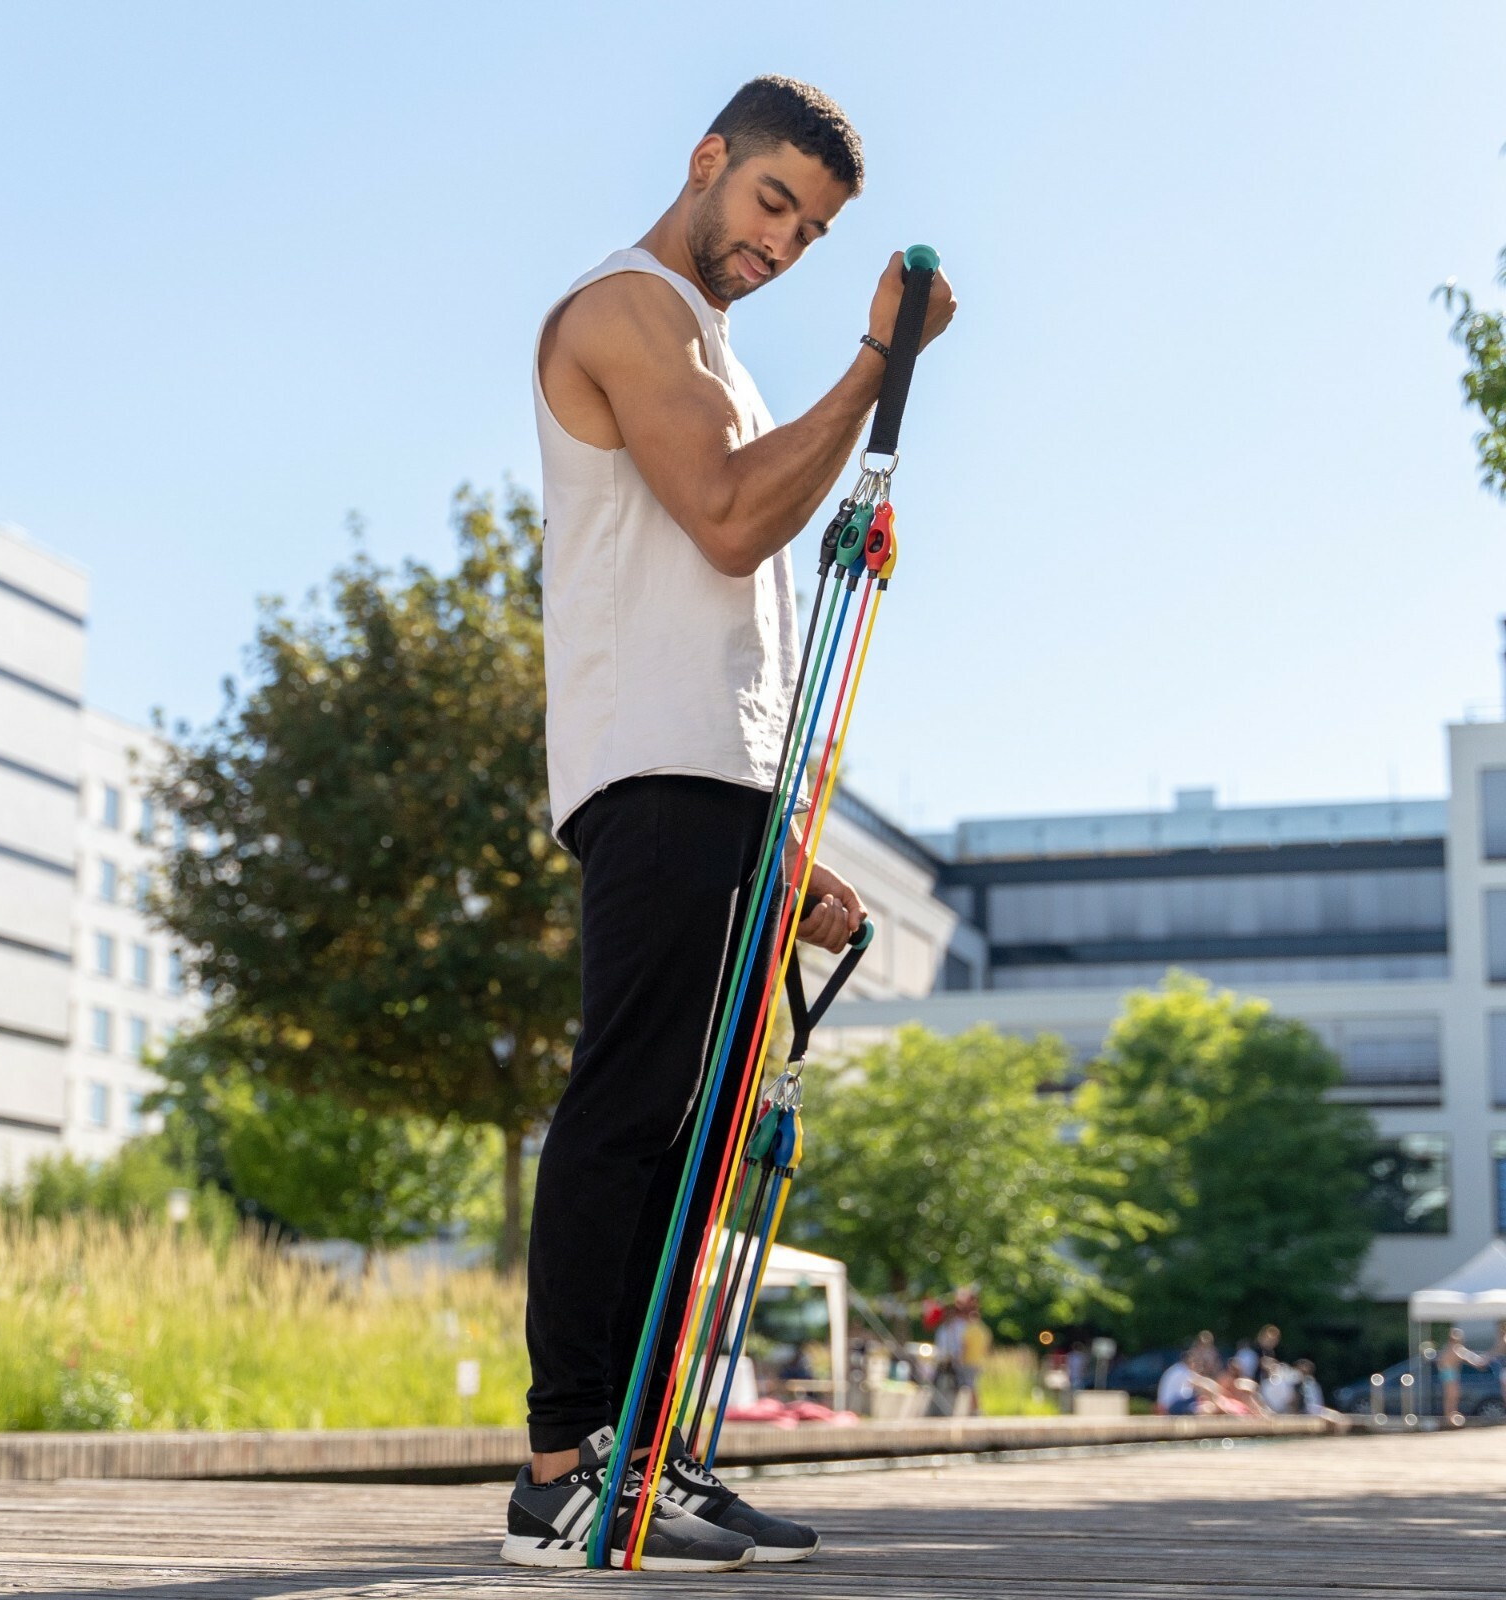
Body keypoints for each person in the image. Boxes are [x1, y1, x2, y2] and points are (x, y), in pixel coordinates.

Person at [503, 76, 956, 1574]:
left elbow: (732, 629)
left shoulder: (720, 359)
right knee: (633, 1104)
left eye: (813, 232)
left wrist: (787, 846)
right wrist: (878, 365)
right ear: (707, 161)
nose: (784, 242)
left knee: (694, 1136)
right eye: (773, 202)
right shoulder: (626, 312)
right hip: (650, 773)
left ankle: (641, 1458)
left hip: (722, 785)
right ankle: (563, 1466)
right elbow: (729, 518)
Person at [1434, 1326, 1487, 1424]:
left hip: (1448, 1373)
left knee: (1451, 1395)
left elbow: (1440, 1362)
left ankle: (1450, 1415)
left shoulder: (1447, 1347)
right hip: (1450, 1373)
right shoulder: (1455, 1348)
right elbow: (1467, 1357)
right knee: (1452, 1396)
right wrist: (1479, 1362)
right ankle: (1450, 1416)